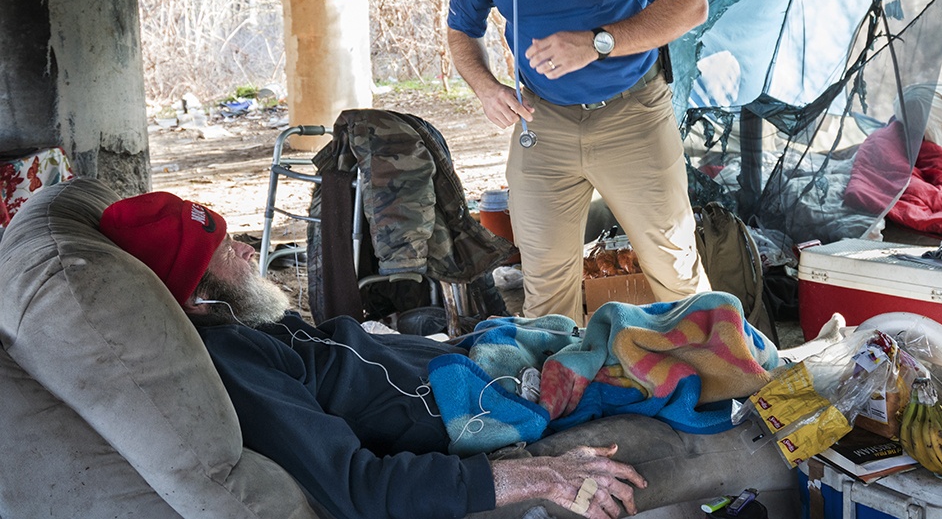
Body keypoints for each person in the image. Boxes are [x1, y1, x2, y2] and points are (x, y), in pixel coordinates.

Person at [98, 191, 646, 519]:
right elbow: (357, 487)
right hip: (469, 401)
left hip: (457, 357)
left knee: (631, 327)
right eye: (223, 249)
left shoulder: (241, 317)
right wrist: (543, 476)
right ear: (195, 289)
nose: (245, 246)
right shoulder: (234, 365)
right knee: (683, 334)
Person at [447, 0, 711, 326]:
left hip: (632, 112)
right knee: (544, 282)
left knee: (673, 267)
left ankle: (712, 386)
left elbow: (690, 3)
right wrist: (486, 87)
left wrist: (598, 42)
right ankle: (564, 394)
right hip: (542, 121)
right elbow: (461, 30)